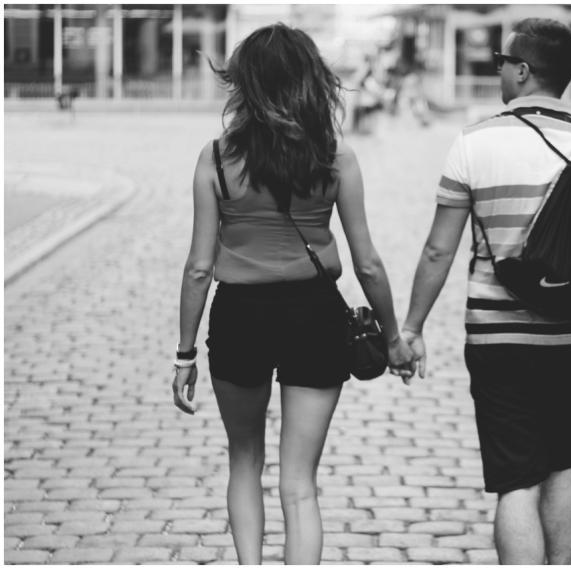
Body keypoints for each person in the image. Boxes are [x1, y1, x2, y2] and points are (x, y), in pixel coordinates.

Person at [172, 23, 414, 565]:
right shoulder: (335, 157)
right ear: (311, 83)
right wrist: (393, 336)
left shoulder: (215, 159)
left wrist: (184, 354)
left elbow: (197, 269)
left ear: (246, 85)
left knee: (244, 463)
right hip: (314, 316)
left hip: (240, 318)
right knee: (300, 482)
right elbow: (367, 262)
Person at [401, 18, 571, 564]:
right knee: (563, 461)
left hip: (497, 335)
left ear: (524, 70)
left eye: (503, 63)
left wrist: (411, 327)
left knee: (516, 479)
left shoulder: (474, 143)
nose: (500, 71)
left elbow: (439, 250)